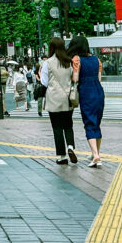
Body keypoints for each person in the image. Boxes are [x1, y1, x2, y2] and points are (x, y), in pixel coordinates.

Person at [69, 35, 104, 168]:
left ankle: (95, 156)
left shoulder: (77, 59)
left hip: (86, 92)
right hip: (98, 91)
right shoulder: (96, 59)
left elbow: (76, 78)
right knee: (97, 122)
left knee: (89, 122)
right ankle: (96, 152)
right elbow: (99, 78)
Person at [42, 37, 78, 165]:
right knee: (68, 125)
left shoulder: (47, 63)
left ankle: (62, 156)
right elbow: (74, 78)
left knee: (57, 128)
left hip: (53, 98)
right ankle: (70, 146)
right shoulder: (68, 62)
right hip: (67, 98)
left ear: (51, 48)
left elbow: (44, 82)